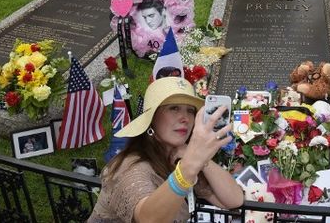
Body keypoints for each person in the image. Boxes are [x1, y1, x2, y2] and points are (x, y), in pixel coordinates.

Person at [87, 76, 244, 222]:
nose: (185, 118)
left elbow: (233, 200)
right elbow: (149, 218)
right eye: (174, 108)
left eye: (190, 111)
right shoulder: (131, 167)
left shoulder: (178, 156)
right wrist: (189, 166)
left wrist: (202, 160)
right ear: (152, 119)